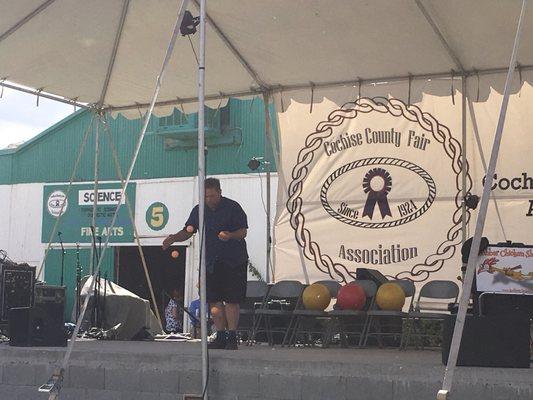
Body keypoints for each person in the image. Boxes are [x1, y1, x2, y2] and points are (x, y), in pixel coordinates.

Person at [162, 178, 248, 350]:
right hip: (210, 262)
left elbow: (243, 231)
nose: (209, 200)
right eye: (206, 196)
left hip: (233, 261)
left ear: (220, 192)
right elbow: (189, 231)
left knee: (231, 300)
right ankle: (221, 335)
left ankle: (232, 337)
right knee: (213, 300)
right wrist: (173, 238)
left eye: (213, 196)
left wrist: (229, 235)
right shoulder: (199, 210)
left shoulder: (233, 207)